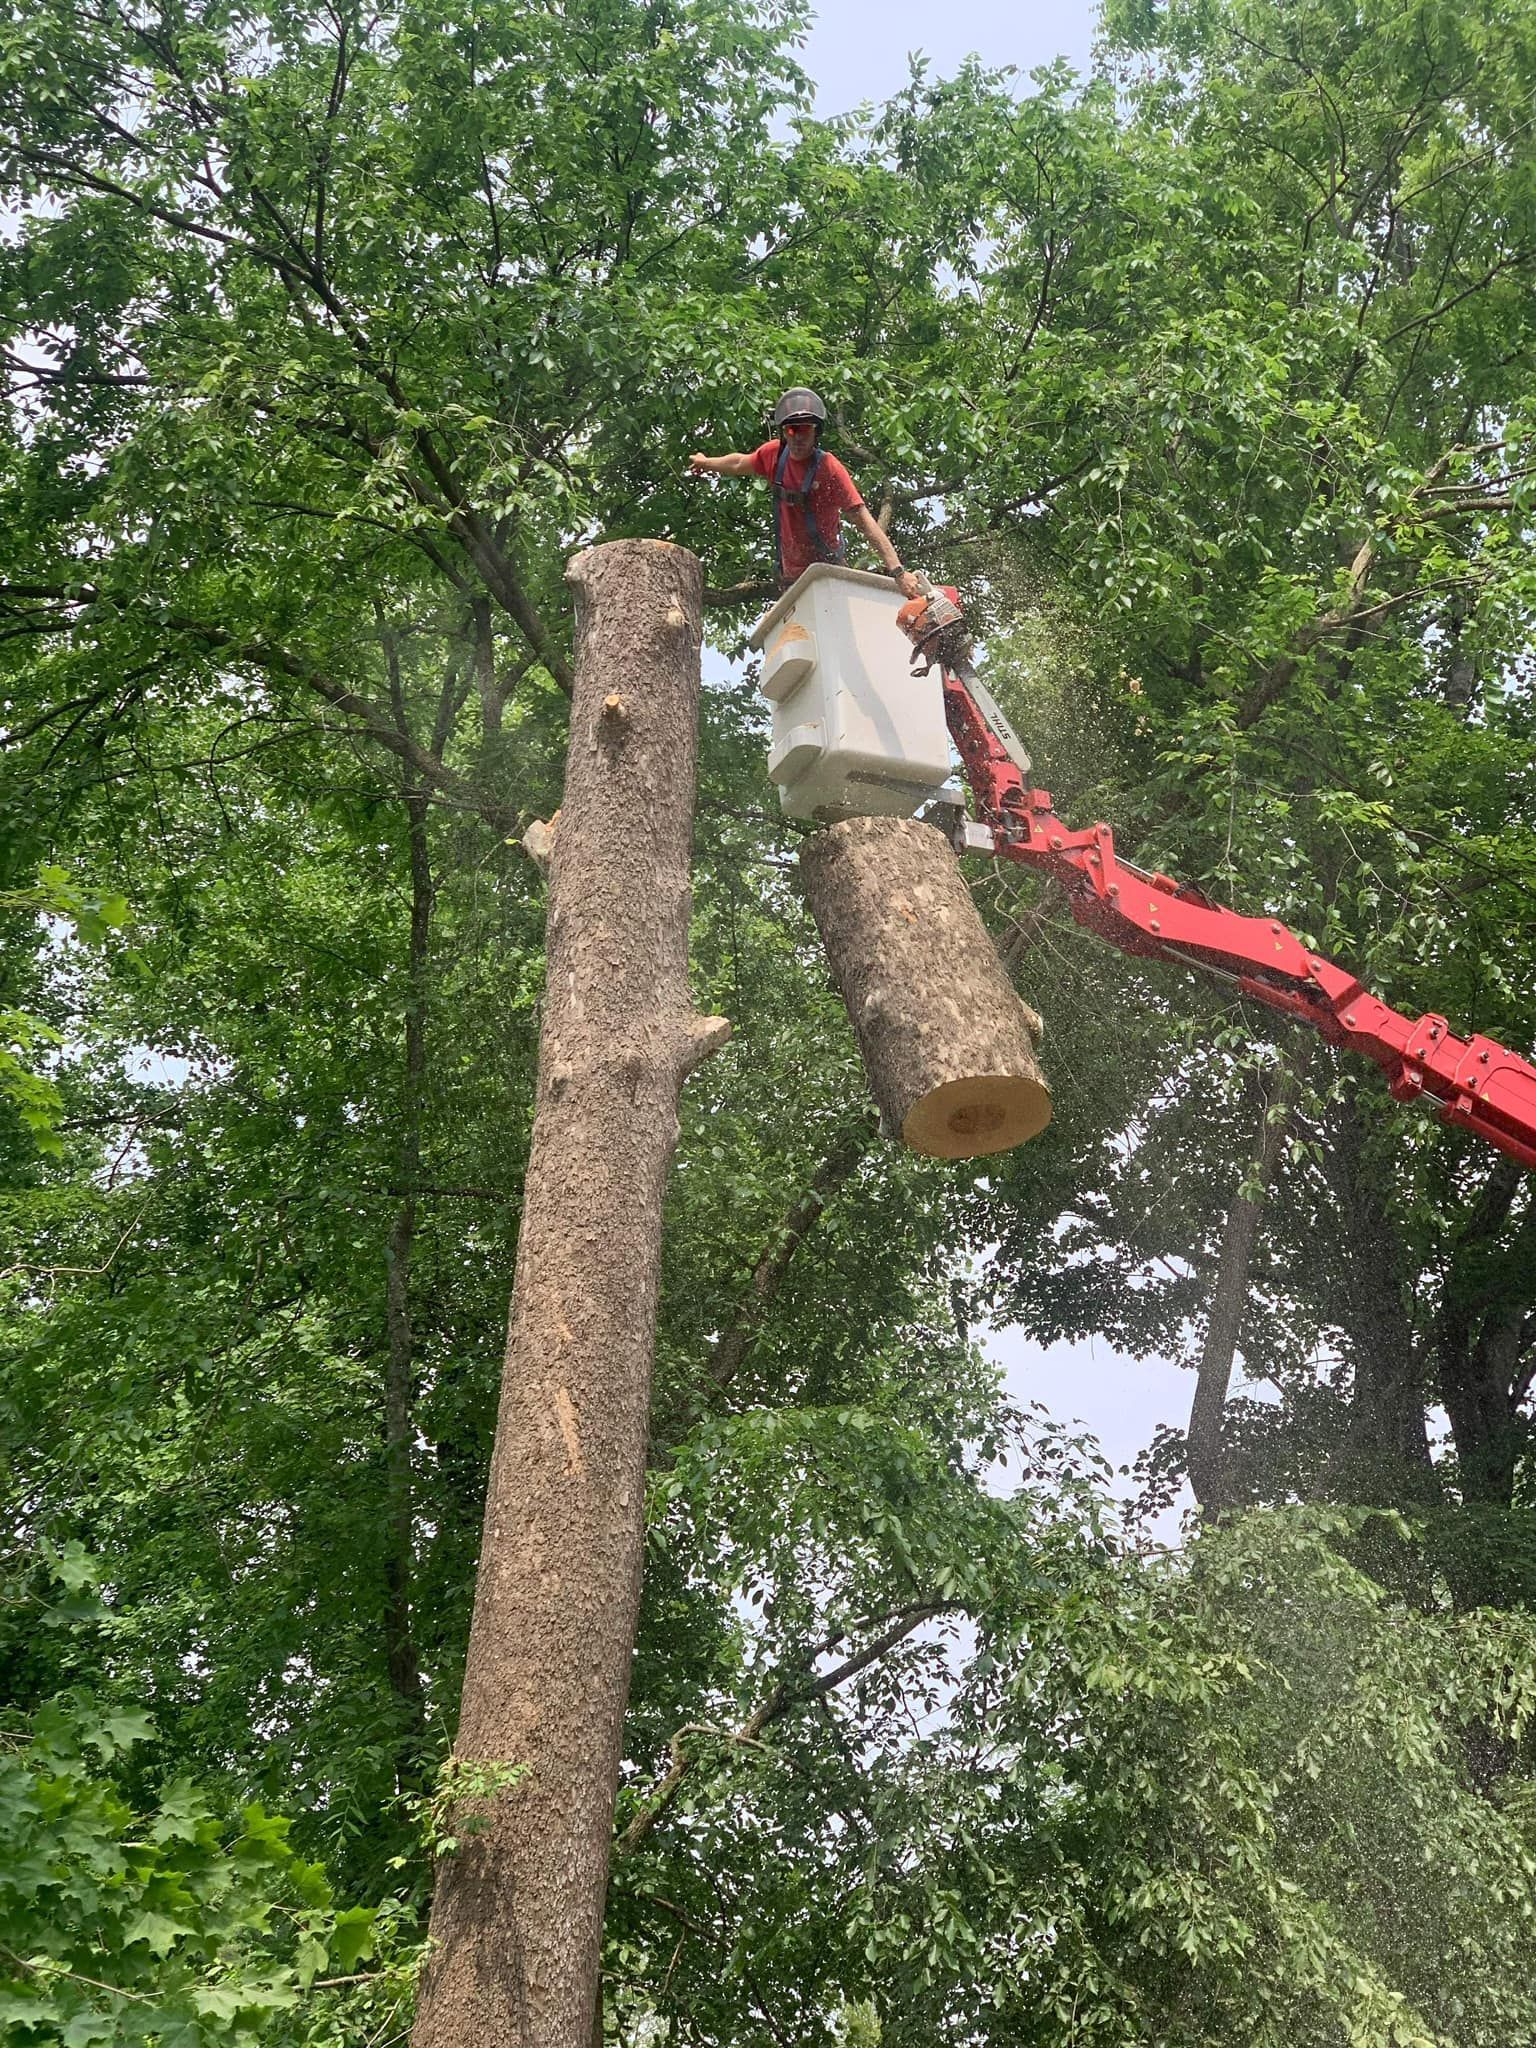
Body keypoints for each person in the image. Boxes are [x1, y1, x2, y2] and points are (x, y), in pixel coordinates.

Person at [689, 387, 920, 596]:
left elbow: (864, 521)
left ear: (816, 432)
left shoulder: (829, 469)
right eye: (792, 430)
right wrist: (706, 462)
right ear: (783, 432)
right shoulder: (774, 455)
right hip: (791, 576)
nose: (798, 437)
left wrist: (898, 572)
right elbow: (739, 463)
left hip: (828, 569)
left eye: (805, 430)